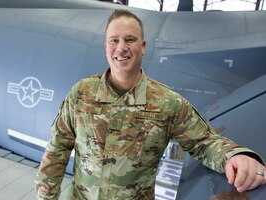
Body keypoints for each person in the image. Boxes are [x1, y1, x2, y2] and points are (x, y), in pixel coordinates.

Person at [35, 9, 266, 200]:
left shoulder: (166, 102)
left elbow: (204, 142)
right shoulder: (82, 92)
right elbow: (58, 148)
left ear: (143, 46)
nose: (121, 48)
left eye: (130, 40)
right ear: (105, 46)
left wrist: (234, 156)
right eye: (114, 40)